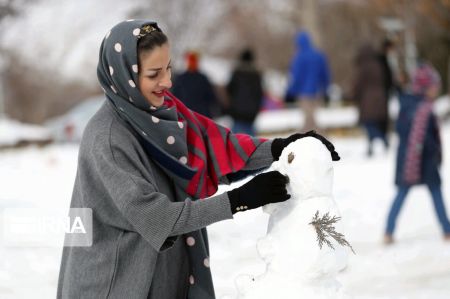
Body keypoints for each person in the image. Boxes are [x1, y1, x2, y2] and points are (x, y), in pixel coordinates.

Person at [56, 20, 340, 299]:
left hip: (164, 275)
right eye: (154, 74)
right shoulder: (107, 138)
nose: (167, 82)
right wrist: (239, 200)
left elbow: (218, 147)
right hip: (116, 283)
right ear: (124, 76)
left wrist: (280, 147)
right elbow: (157, 217)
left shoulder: (162, 113)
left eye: (168, 68)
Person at [384, 62, 450, 244]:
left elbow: (402, 131)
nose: (437, 89)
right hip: (423, 161)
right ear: (425, 87)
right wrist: (435, 153)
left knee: (404, 193)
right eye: (434, 86)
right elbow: (428, 139)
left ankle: (388, 231)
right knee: (435, 192)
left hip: (407, 161)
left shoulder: (407, 104)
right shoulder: (424, 109)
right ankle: (447, 230)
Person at [285, 31, 331, 132]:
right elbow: (325, 74)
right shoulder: (319, 55)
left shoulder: (299, 57)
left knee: (309, 117)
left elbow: (296, 77)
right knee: (311, 116)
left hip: (304, 92)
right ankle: (313, 136)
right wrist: (325, 89)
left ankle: (315, 136)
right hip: (317, 91)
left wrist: (290, 92)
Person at [352, 43, 389, 156]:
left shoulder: (363, 67)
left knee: (368, 124)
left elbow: (359, 84)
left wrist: (354, 95)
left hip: (367, 99)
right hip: (380, 97)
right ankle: (372, 145)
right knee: (373, 123)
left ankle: (382, 139)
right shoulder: (378, 64)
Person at [225, 48, 263, 136]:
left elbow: (229, 90)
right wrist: (257, 109)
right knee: (252, 142)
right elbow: (259, 94)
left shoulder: (236, 73)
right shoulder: (256, 75)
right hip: (251, 114)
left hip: (237, 112)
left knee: (235, 141)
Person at [171, 51, 219, 118]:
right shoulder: (181, 78)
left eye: (194, 61)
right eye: (191, 60)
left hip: (200, 116)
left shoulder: (202, 78)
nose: (192, 63)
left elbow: (211, 98)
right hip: (186, 115)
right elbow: (174, 97)